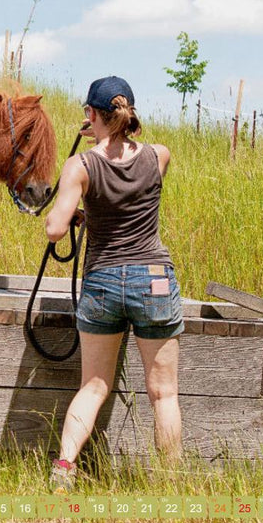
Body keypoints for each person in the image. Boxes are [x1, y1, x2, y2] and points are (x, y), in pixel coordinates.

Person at [44, 76, 184, 493]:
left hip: (104, 279)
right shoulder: (160, 155)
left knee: (94, 385)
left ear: (91, 114)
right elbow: (133, 194)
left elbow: (54, 229)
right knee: (164, 394)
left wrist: (76, 213)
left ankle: (64, 468)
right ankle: (173, 486)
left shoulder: (82, 165)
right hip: (154, 278)